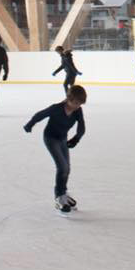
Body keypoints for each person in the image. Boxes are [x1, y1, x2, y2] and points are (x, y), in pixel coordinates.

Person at [24, 85, 87, 214]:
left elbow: (82, 126)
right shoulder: (56, 108)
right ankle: (59, 197)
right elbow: (40, 115)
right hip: (50, 139)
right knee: (62, 167)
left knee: (67, 168)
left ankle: (63, 193)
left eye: (80, 103)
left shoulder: (78, 111)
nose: (77, 106)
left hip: (63, 139)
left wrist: (76, 138)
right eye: (75, 102)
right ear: (68, 98)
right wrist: (30, 124)